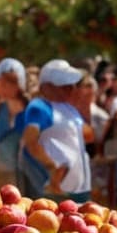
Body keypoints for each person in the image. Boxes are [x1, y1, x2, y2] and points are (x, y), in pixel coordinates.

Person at [19, 59, 92, 202]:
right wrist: (52, 167)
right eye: (64, 86)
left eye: (71, 85)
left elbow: (88, 136)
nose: (71, 89)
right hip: (56, 190)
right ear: (46, 87)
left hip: (80, 186)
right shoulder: (39, 107)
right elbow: (30, 141)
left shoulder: (70, 109)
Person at [0, 58, 28, 188]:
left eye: (5, 82)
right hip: (1, 173)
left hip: (22, 175)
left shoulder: (30, 110)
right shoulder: (0, 108)